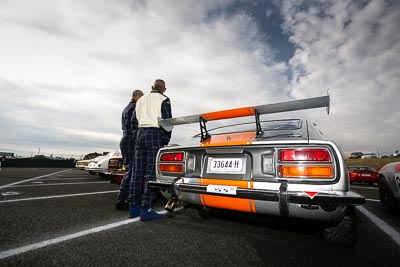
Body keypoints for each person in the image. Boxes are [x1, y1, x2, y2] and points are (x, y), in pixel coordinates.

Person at [128, 79, 172, 221]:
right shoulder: (164, 99)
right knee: (151, 173)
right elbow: (167, 122)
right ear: (163, 89)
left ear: (152, 87)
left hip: (140, 134)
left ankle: (133, 207)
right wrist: (165, 140)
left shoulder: (140, 100)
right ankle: (146, 208)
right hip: (154, 134)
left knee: (137, 171)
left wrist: (136, 136)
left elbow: (133, 121)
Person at [115, 89, 144, 210]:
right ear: (137, 97)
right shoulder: (133, 108)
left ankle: (123, 198)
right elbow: (134, 126)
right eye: (141, 98)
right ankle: (123, 200)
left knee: (129, 170)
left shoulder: (127, 107)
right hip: (130, 140)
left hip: (125, 139)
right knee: (132, 170)